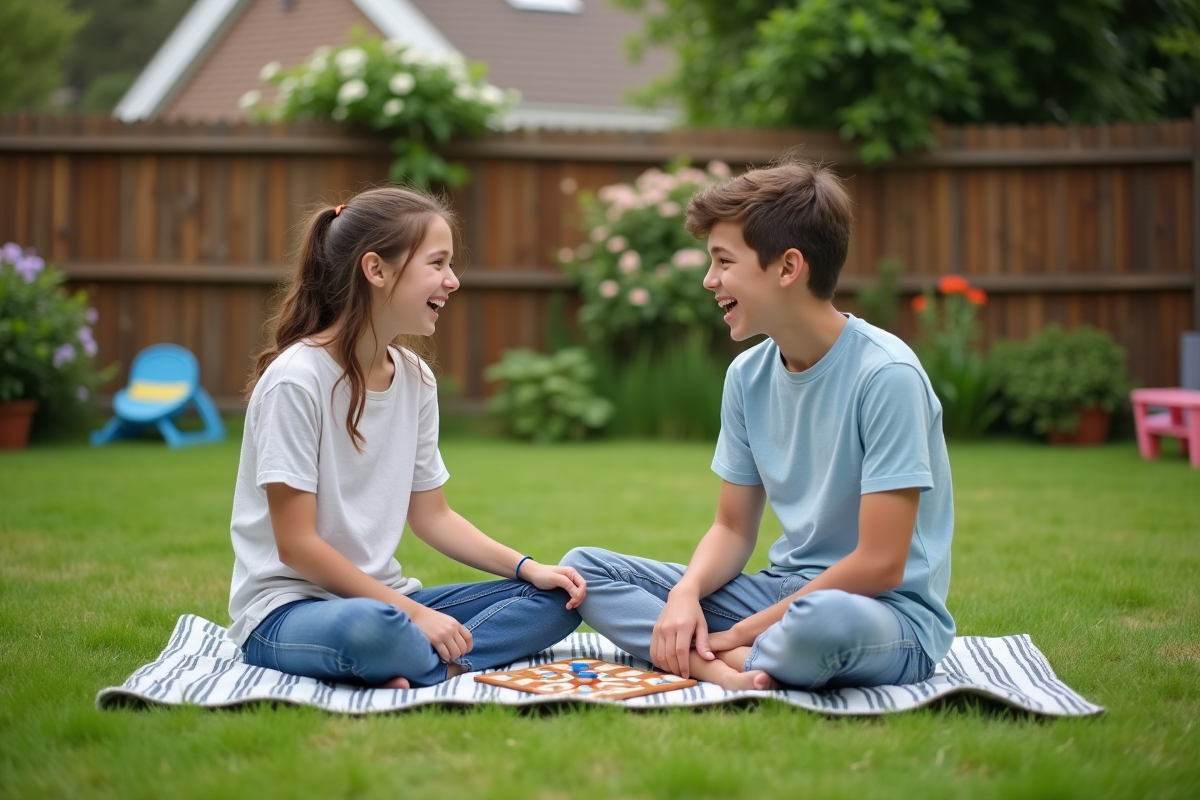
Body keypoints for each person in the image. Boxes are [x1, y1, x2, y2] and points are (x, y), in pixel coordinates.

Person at [562, 161, 953, 691]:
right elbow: (732, 528)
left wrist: (741, 630)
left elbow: (881, 565)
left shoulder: (886, 375)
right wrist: (684, 596)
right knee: (586, 571)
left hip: (883, 616)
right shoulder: (747, 376)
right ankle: (720, 667)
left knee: (820, 624)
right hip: (780, 594)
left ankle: (726, 654)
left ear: (788, 267)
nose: (709, 280)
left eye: (724, 261)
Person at [229, 187, 585, 689]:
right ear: (376, 271)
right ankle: (414, 655)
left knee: (557, 602)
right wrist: (411, 616)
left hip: (389, 600)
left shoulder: (415, 378)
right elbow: (296, 546)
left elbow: (432, 516)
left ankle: (416, 662)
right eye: (437, 263)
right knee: (371, 629)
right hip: (290, 612)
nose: (453, 281)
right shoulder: (297, 380)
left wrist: (528, 568)